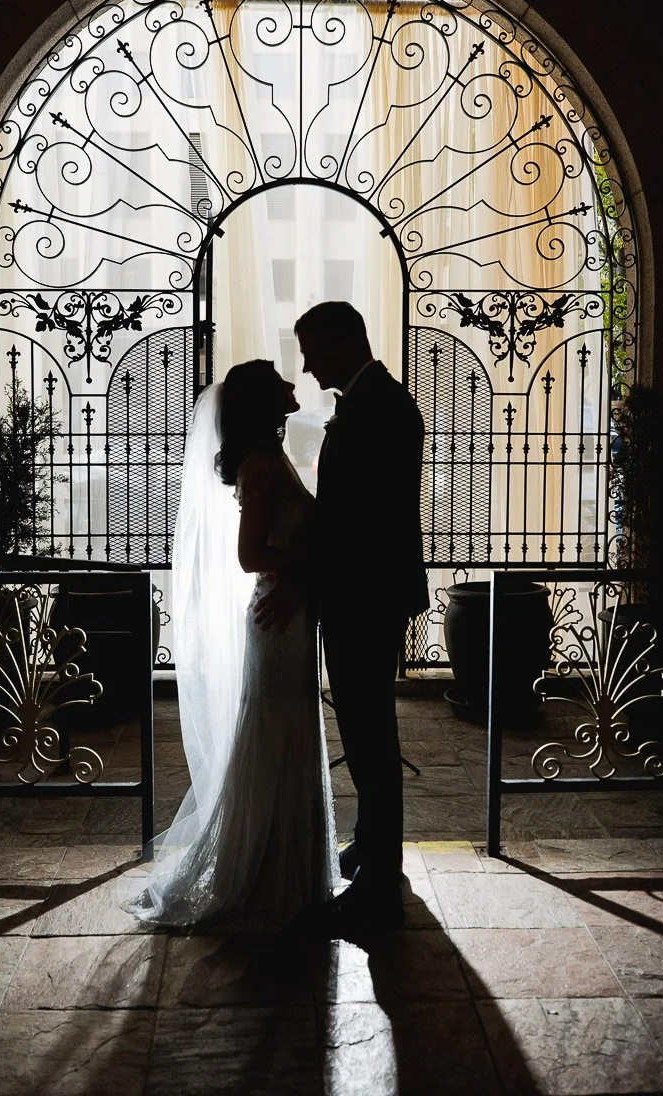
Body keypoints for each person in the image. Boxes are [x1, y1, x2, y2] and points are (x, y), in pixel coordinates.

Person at [125, 360, 338, 933]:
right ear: (261, 403)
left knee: (285, 730)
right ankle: (263, 874)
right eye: (280, 381)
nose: (294, 385)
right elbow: (251, 557)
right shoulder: (262, 468)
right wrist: (311, 564)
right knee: (271, 733)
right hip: (277, 617)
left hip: (288, 614)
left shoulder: (271, 459)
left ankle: (285, 868)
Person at [255, 302, 429, 936]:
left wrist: (302, 576)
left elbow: (358, 519)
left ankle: (378, 880)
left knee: (370, 737)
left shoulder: (378, 404)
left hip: (367, 595)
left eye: (312, 350)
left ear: (344, 342)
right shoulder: (372, 399)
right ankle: (368, 849)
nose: (305, 366)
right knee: (365, 730)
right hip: (366, 592)